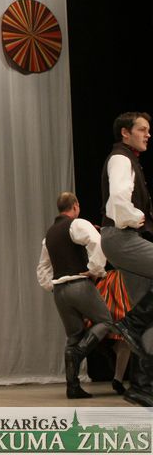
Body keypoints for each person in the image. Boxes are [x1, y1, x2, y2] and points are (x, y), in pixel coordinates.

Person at [99, 112, 153, 407]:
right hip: (121, 237)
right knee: (141, 320)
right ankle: (131, 324)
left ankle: (142, 387)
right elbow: (119, 200)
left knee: (150, 322)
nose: (147, 134)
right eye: (142, 129)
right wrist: (138, 217)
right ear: (125, 132)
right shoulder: (121, 158)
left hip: (123, 239)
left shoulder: (128, 158)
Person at [36, 192, 112, 398]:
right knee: (105, 321)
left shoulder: (49, 235)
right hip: (79, 285)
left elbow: (42, 268)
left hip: (59, 292)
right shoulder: (77, 224)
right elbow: (97, 242)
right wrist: (95, 270)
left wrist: (52, 286)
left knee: (74, 335)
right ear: (76, 205)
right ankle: (79, 353)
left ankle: (72, 386)